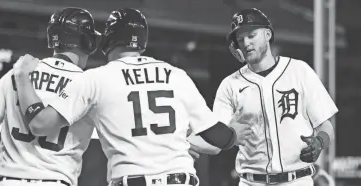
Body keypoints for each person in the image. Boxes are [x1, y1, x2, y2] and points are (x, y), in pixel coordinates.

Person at [13, 8, 253, 186]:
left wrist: (23, 78)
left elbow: (40, 125)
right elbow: (215, 137)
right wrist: (233, 135)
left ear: (107, 41)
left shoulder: (97, 78)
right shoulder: (176, 75)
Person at [0, 7, 100, 186]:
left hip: (9, 181)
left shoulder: (17, 71)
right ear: (87, 41)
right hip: (56, 181)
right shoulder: (87, 84)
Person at [213, 8, 338, 186]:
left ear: (267, 34)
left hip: (297, 180)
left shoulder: (299, 71)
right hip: (251, 182)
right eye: (240, 39)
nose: (246, 43)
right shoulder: (230, 85)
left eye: (251, 35)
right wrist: (227, 133)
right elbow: (216, 137)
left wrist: (319, 141)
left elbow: (326, 125)